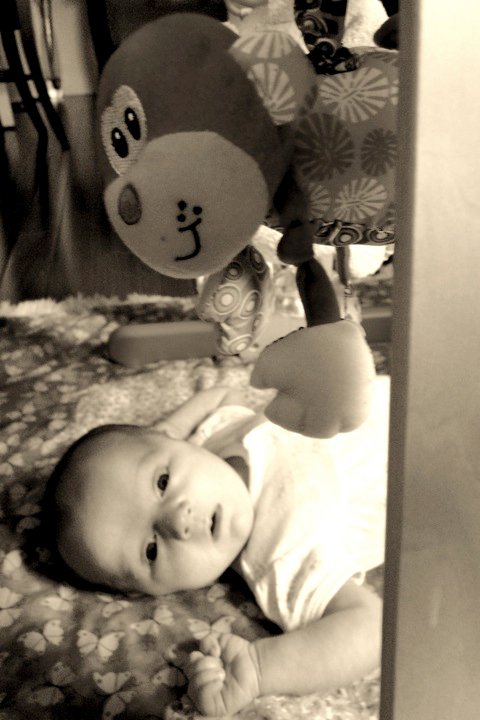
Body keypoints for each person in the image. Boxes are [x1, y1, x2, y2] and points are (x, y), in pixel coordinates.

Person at [44, 377, 390, 717]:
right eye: (151, 550)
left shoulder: (214, 437)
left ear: (174, 443)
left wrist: (171, 426)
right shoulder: (282, 559)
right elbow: (371, 628)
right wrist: (259, 668)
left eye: (162, 482)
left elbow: (225, 394)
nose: (178, 520)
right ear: (153, 593)